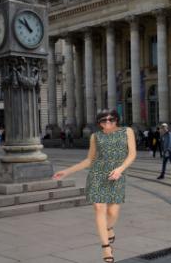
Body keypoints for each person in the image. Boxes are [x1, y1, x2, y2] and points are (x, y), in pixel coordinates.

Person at [53, 109, 136, 263]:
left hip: (116, 175)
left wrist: (120, 169)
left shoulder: (127, 131)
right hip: (97, 174)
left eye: (111, 119)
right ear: (99, 123)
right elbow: (89, 160)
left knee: (113, 212)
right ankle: (106, 248)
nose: (108, 123)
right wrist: (67, 171)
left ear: (117, 119)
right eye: (103, 121)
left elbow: (132, 154)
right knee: (99, 208)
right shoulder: (95, 136)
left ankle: (109, 228)